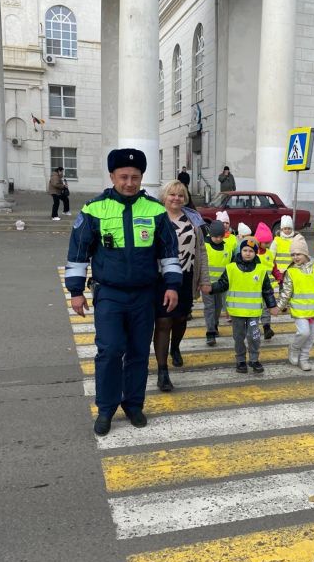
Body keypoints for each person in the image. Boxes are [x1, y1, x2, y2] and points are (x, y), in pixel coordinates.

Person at [65, 148, 181, 435]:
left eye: (135, 177)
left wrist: (172, 285)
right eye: (124, 177)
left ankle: (133, 405)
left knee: (139, 352)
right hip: (110, 294)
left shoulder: (155, 210)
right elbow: (78, 252)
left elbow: (169, 252)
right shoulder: (94, 209)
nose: (129, 183)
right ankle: (106, 409)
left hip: (144, 294)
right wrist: (76, 291)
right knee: (110, 350)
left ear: (142, 178)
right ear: (112, 176)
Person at [153, 180, 210, 392]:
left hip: (186, 277)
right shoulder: (155, 217)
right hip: (161, 278)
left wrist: (204, 280)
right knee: (163, 321)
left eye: (180, 195)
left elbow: (201, 251)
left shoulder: (193, 219)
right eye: (172, 194)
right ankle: (162, 371)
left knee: (180, 319)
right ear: (164, 196)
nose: (176, 198)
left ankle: (175, 347)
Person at [209, 237, 278, 374]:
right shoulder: (231, 268)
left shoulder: (261, 270)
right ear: (240, 251)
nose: (248, 253)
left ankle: (254, 359)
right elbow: (222, 284)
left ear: (255, 253)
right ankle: (240, 360)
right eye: (245, 250)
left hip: (253, 313)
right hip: (237, 312)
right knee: (239, 337)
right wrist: (210, 288)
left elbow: (267, 290)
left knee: (254, 336)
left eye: (251, 251)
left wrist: (272, 305)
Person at [277, 236, 314, 371]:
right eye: (292, 255)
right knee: (304, 333)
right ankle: (294, 348)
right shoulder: (291, 271)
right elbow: (286, 291)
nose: (295, 257)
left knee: (310, 337)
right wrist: (279, 306)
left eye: (298, 254)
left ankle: (304, 359)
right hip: (299, 310)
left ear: (305, 253)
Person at [203, 220, 231, 346]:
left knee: (218, 307)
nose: (218, 239)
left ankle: (215, 325)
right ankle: (210, 333)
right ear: (210, 234)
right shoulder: (205, 246)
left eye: (221, 236)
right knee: (209, 308)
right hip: (207, 283)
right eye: (215, 236)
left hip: (221, 285)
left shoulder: (227, 247)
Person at [254, 222, 281, 340]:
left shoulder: (270, 254)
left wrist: (279, 276)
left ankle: (266, 328)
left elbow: (274, 267)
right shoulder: (252, 253)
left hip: (267, 287)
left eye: (269, 242)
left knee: (266, 307)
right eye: (266, 243)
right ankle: (253, 328)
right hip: (254, 287)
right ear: (259, 242)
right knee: (255, 308)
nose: (268, 244)